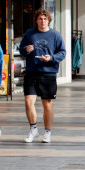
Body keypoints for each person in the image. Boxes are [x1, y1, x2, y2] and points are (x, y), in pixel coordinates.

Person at [21, 9, 67, 144]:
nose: (42, 21)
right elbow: (22, 49)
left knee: (47, 104)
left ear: (49, 20)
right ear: (36, 20)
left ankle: (47, 131)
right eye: (40, 19)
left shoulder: (55, 35)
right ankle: (33, 128)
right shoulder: (30, 34)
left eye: (45, 19)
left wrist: (51, 58)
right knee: (28, 102)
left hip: (48, 73)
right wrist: (26, 50)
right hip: (31, 72)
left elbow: (62, 53)